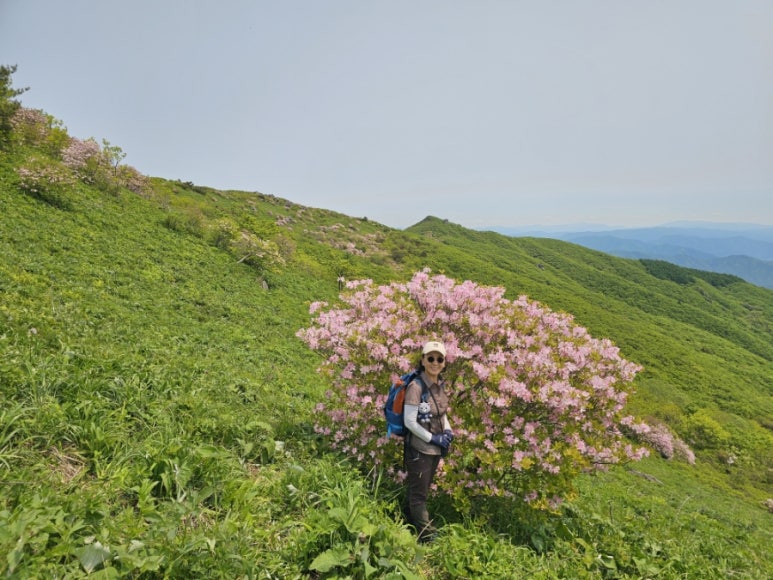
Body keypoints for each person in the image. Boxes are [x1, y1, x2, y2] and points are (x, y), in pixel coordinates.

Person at [402, 340, 453, 543]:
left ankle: (407, 520)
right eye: (430, 358)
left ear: (443, 363)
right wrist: (433, 438)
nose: (435, 362)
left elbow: (441, 414)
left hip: (435, 449)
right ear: (423, 360)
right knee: (419, 495)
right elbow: (409, 421)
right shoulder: (416, 387)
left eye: (439, 359)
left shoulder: (440, 385)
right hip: (420, 449)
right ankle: (428, 537)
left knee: (421, 488)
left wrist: (448, 431)